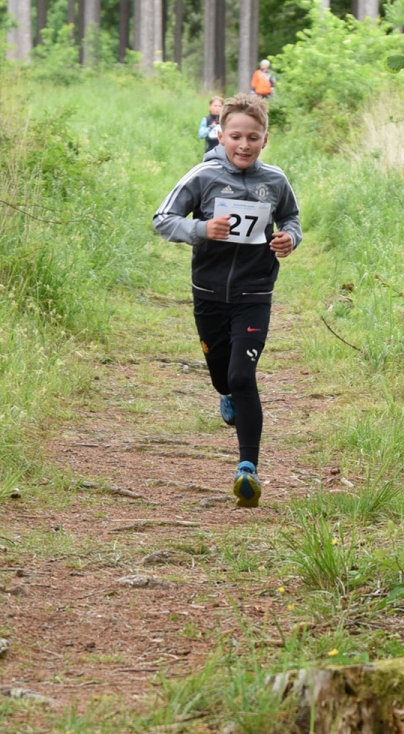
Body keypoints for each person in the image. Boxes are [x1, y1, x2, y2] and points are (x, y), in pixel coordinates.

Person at [153, 94, 301, 507]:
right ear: (220, 135)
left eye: (253, 137)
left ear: (265, 138)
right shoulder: (203, 176)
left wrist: (290, 238)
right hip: (209, 293)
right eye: (236, 136)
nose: (244, 144)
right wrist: (201, 230)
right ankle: (226, 393)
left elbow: (291, 217)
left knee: (241, 376)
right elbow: (162, 219)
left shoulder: (275, 180)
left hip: (255, 293)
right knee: (223, 377)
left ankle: (247, 469)